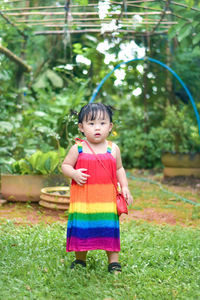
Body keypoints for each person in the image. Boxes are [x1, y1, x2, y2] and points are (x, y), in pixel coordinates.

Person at [62, 103, 133, 273]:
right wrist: (74, 173)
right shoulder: (78, 148)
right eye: (91, 123)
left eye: (102, 123)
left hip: (106, 200)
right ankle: (80, 260)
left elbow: (119, 169)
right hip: (84, 199)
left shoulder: (113, 148)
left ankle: (113, 261)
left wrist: (125, 187)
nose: (97, 128)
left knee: (109, 227)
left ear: (110, 127)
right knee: (82, 227)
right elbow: (65, 165)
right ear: (81, 127)